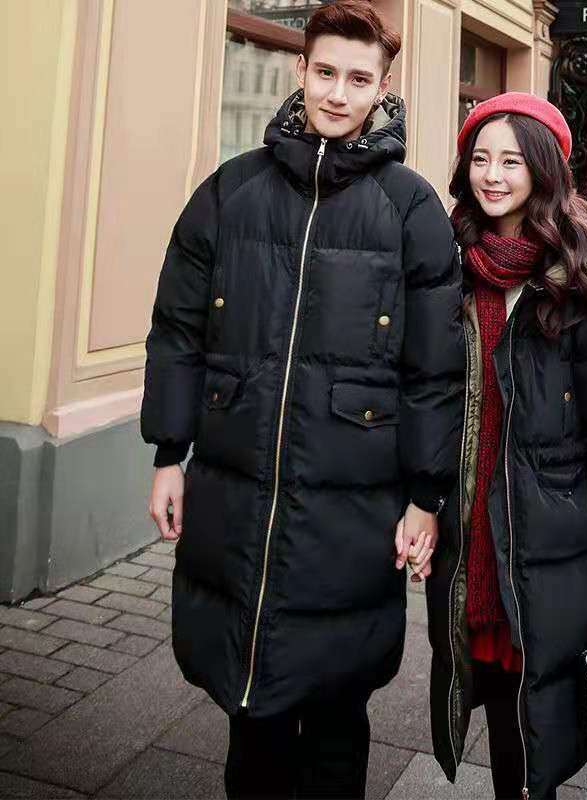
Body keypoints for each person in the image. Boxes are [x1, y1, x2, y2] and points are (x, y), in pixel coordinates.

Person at [140, 3, 465, 799]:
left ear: (382, 87)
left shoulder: (410, 208)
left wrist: (425, 498)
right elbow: (178, 331)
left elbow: (434, 371)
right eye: (325, 73)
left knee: (334, 716)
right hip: (237, 493)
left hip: (353, 507)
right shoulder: (230, 192)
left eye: (358, 78)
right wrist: (168, 455)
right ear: (301, 71)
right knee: (249, 711)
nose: (338, 94)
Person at [425, 93, 587, 800]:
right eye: (481, 159)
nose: (493, 175)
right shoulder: (449, 262)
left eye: (511, 161)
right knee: (497, 690)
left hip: (549, 527)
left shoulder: (583, 276)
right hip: (472, 523)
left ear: (542, 169)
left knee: (540, 707)